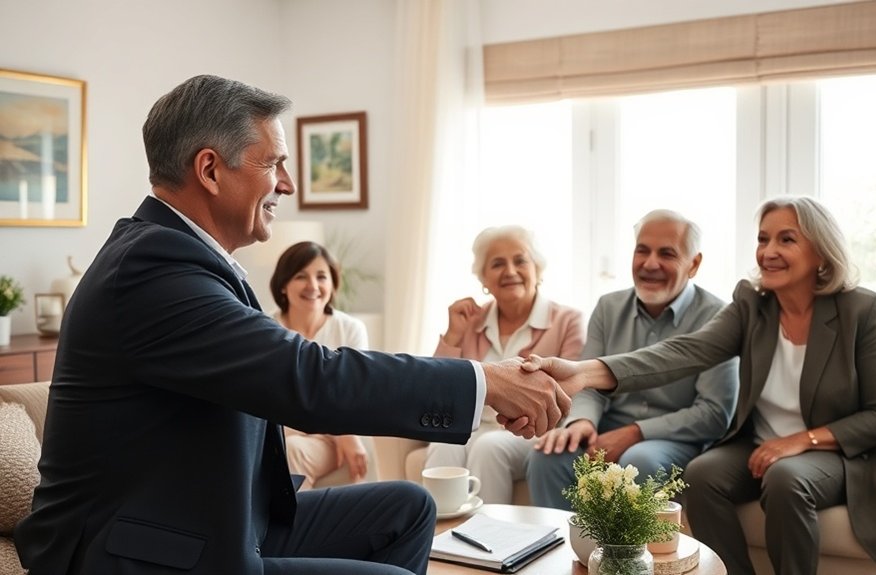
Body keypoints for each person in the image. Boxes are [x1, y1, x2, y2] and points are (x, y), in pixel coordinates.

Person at [14, 75, 571, 575]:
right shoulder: (151, 271)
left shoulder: (185, 257)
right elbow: (307, 376)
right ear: (210, 169)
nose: (287, 184)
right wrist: (485, 382)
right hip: (140, 549)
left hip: (214, 521)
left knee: (408, 505)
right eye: (273, 163)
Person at [525, 196, 876, 575]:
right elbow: (681, 353)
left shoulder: (864, 311)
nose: (768, 251)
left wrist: (801, 441)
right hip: (758, 445)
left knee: (786, 478)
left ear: (821, 253)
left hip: (835, 451)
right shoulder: (753, 307)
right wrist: (586, 372)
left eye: (786, 240)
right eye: (762, 239)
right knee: (703, 474)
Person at [527, 209, 738, 510]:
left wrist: (635, 433)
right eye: (642, 250)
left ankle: (626, 558)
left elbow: (713, 414)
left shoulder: (718, 316)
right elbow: (587, 382)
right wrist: (582, 421)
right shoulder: (608, 307)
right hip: (608, 427)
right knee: (550, 454)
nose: (650, 263)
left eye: (667, 253)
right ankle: (560, 554)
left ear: (694, 264)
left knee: (638, 461)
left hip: (675, 439)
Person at [427, 225, 585, 504]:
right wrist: (453, 335)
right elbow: (435, 391)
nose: (510, 271)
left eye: (520, 260)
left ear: (538, 269)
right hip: (474, 425)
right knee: (443, 443)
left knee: (489, 447)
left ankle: (493, 539)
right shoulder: (471, 321)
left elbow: (573, 389)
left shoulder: (567, 320)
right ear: (483, 278)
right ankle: (438, 538)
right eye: (497, 263)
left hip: (534, 430)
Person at [270, 240, 373, 490]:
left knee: (293, 449)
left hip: (333, 435)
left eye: (321, 277)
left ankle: (299, 528)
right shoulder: (266, 329)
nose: (313, 286)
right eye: (301, 276)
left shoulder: (349, 329)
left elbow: (353, 396)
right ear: (283, 285)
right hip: (283, 434)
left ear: (333, 284)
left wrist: (342, 435)